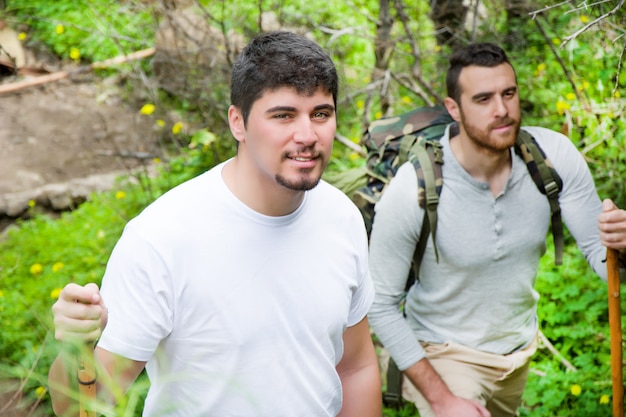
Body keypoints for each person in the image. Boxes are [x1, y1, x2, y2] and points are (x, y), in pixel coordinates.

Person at [48, 30, 382, 417]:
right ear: (237, 123)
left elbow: (356, 366)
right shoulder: (162, 237)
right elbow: (81, 407)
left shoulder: (341, 217)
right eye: (283, 115)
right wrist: (75, 347)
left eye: (320, 113)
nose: (307, 135)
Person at [367, 42, 626, 417]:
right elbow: (380, 305)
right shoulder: (415, 188)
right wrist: (443, 400)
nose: (502, 110)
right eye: (483, 99)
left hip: (517, 352)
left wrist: (622, 247)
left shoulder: (553, 157)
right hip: (445, 351)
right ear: (453, 109)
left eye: (509, 93)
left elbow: (597, 253)